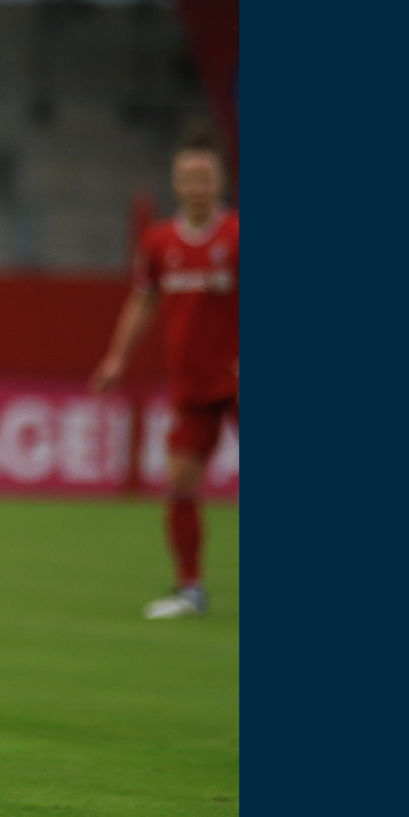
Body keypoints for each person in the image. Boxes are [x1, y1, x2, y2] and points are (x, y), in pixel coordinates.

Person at [91, 129, 238, 620]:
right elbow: (143, 301)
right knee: (179, 483)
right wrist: (117, 358)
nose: (198, 187)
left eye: (206, 177)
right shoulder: (160, 242)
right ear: (176, 182)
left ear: (221, 181)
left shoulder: (238, 236)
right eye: (189, 178)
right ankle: (190, 587)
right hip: (192, 382)